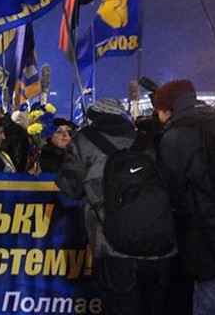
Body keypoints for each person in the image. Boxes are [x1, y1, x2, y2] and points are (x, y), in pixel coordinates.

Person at [57, 98, 174, 315]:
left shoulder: (84, 140)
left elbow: (71, 188)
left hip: (111, 245)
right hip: (156, 244)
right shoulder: (144, 140)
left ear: (94, 117)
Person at [153, 79, 215, 314]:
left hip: (210, 235)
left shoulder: (177, 137)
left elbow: (171, 191)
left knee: (211, 299)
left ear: (168, 109)